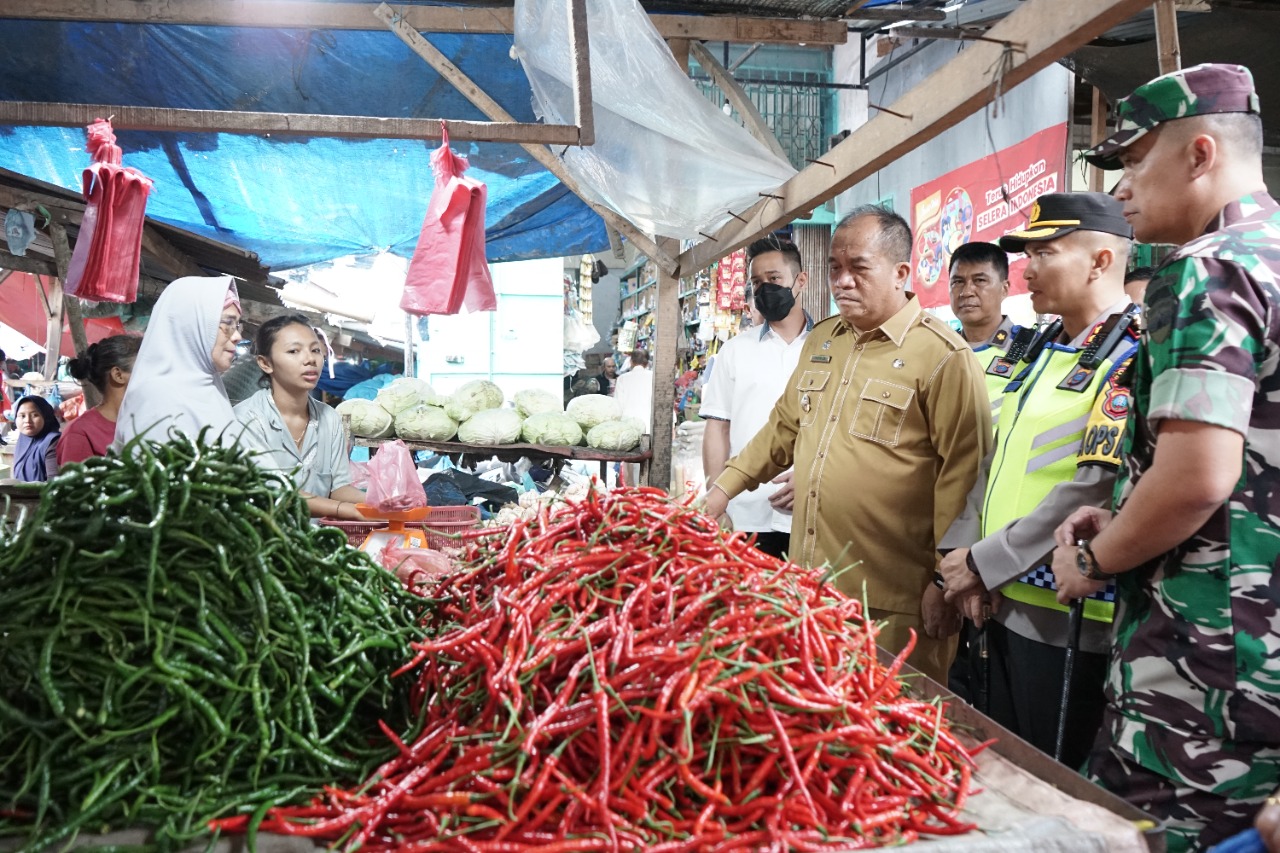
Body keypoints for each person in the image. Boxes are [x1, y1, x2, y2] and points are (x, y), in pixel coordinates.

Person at [1046, 63, 1280, 851]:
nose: (1121, 189)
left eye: (1137, 161)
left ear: (1201, 153)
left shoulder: (1208, 268)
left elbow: (1198, 477)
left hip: (1206, 673)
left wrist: (1096, 556)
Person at [703, 206, 992, 684]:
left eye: (858, 268)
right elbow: (781, 430)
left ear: (901, 272)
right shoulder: (825, 341)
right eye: (835, 268)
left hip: (895, 604)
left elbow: (967, 479)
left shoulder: (943, 358)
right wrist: (719, 494)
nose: (842, 281)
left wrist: (944, 582)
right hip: (810, 589)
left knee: (892, 736)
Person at [938, 192, 1139, 768]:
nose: (1027, 269)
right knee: (1001, 768)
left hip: (1068, 620)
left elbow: (1091, 490)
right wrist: (972, 562)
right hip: (1000, 602)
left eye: (1045, 253)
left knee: (1056, 779)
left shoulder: (1128, 355)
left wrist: (983, 562)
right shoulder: (1038, 351)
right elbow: (992, 460)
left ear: (1100, 261)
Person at [700, 235, 813, 560]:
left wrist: (812, 476)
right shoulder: (735, 351)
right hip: (745, 512)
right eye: (757, 282)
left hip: (811, 513)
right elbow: (717, 428)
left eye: (774, 279)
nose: (765, 289)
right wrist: (717, 496)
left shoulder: (828, 348)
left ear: (800, 280)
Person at [234, 314, 364, 520]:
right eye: (294, 351)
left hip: (318, 539)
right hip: (263, 540)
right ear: (265, 363)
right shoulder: (246, 420)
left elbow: (338, 488)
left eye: (315, 350)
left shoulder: (329, 418)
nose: (310, 359)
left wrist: (377, 502)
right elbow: (275, 492)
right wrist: (344, 510)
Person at [113, 275, 245, 450]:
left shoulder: (210, 389)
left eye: (237, 326)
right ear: (191, 324)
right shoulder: (157, 400)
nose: (237, 336)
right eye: (228, 324)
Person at [56, 334, 142, 465]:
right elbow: (75, 484)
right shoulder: (79, 434)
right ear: (118, 375)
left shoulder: (145, 421)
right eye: (145, 369)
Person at [611, 347, 654, 487]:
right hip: (650, 426)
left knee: (630, 464)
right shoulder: (654, 377)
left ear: (631, 362)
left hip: (629, 428)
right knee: (649, 463)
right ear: (647, 363)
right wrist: (672, 424)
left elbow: (617, 407)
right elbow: (662, 401)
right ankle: (646, 491)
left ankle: (631, 494)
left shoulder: (623, 379)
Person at [10, 394, 61, 482]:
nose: (27, 421)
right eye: (22, 416)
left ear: (46, 417)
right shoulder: (23, 439)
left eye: (35, 415)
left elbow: (54, 484)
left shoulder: (53, 442)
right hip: (19, 494)